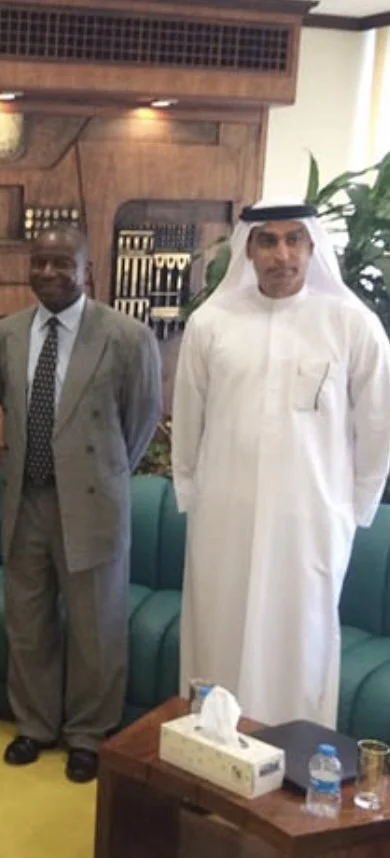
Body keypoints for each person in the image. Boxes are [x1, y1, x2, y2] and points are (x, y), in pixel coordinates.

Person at [172, 200, 390, 728]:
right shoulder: (212, 323)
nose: (282, 254)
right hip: (224, 516)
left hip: (311, 522)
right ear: (248, 249)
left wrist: (351, 510)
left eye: (294, 240)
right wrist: (193, 495)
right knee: (218, 631)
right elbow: (189, 419)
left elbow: (377, 425)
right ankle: (211, 747)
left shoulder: (351, 325)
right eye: (267, 241)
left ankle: (293, 755)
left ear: (313, 247)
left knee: (301, 639)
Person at [0, 224, 161, 783]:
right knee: (27, 621)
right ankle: (34, 725)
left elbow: (140, 423)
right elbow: (9, 404)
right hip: (26, 499)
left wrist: (100, 474)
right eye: (40, 261)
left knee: (96, 626)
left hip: (91, 501)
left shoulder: (127, 337)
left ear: (88, 269)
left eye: (63, 263)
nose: (48, 272)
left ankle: (88, 734)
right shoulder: (6, 334)